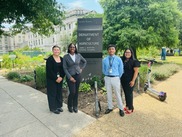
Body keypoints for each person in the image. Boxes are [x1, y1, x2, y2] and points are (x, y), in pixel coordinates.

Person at [63, 43, 87, 113]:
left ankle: (75, 106)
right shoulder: (65, 57)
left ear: (75, 48)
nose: (72, 48)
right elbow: (64, 68)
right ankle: (70, 106)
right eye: (71, 47)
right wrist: (70, 77)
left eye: (73, 47)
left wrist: (81, 68)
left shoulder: (78, 55)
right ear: (69, 48)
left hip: (78, 75)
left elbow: (85, 62)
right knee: (72, 92)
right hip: (70, 76)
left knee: (76, 92)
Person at [102, 44, 125, 117]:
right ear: (108, 51)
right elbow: (103, 69)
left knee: (117, 93)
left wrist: (117, 77)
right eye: (109, 49)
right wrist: (106, 74)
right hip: (107, 78)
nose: (111, 50)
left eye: (112, 49)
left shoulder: (118, 59)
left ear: (115, 50)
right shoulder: (104, 59)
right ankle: (110, 107)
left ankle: (121, 108)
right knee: (108, 93)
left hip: (115, 78)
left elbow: (121, 70)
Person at [46, 45, 65, 114]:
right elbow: (49, 71)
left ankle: (58, 106)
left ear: (59, 51)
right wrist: (55, 78)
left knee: (59, 93)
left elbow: (64, 69)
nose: (56, 51)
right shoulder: (50, 59)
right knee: (52, 93)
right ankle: (53, 108)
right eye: (55, 50)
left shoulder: (62, 59)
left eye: (58, 50)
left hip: (60, 79)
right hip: (52, 79)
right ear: (53, 51)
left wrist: (61, 77)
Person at [120, 48, 140, 114]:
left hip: (130, 80)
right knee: (126, 93)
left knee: (129, 94)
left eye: (129, 52)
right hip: (123, 80)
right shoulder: (123, 60)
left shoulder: (134, 61)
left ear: (131, 53)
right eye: (126, 52)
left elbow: (136, 72)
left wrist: (133, 81)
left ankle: (131, 108)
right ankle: (127, 106)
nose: (127, 54)